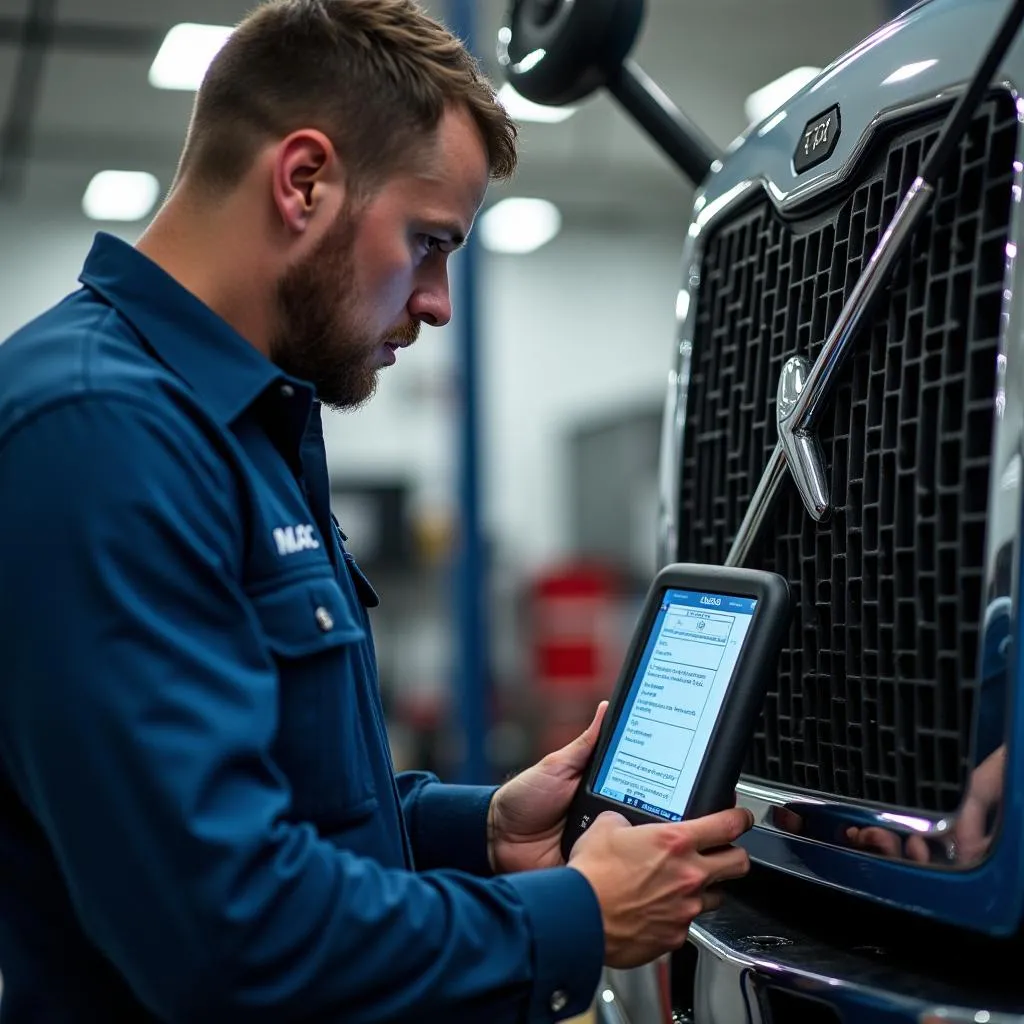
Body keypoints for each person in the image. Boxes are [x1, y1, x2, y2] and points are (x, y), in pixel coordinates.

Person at [0, 1, 754, 1020]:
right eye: (429, 241)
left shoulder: (239, 424)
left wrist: (475, 825)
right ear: (303, 180)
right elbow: (227, 932)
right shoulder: (99, 433)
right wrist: (572, 914)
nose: (438, 301)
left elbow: (277, 803)